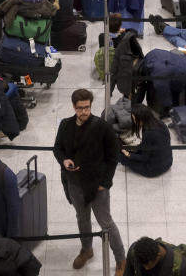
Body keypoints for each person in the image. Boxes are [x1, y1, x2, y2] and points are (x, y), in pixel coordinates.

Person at [53, 88, 125, 273]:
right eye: (80, 108)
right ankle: (87, 249)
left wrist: (105, 183)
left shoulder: (102, 127)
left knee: (106, 223)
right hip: (74, 183)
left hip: (96, 184)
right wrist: (64, 160)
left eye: (87, 107)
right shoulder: (65, 125)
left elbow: (113, 156)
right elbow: (58, 149)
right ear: (74, 107)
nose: (84, 112)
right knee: (82, 218)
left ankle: (121, 259)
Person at [118, 104, 172, 178]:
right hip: (167, 163)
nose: (133, 120)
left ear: (140, 119)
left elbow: (144, 157)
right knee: (132, 151)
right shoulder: (161, 124)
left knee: (122, 157)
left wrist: (128, 154)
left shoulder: (149, 134)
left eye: (134, 118)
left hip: (152, 169)